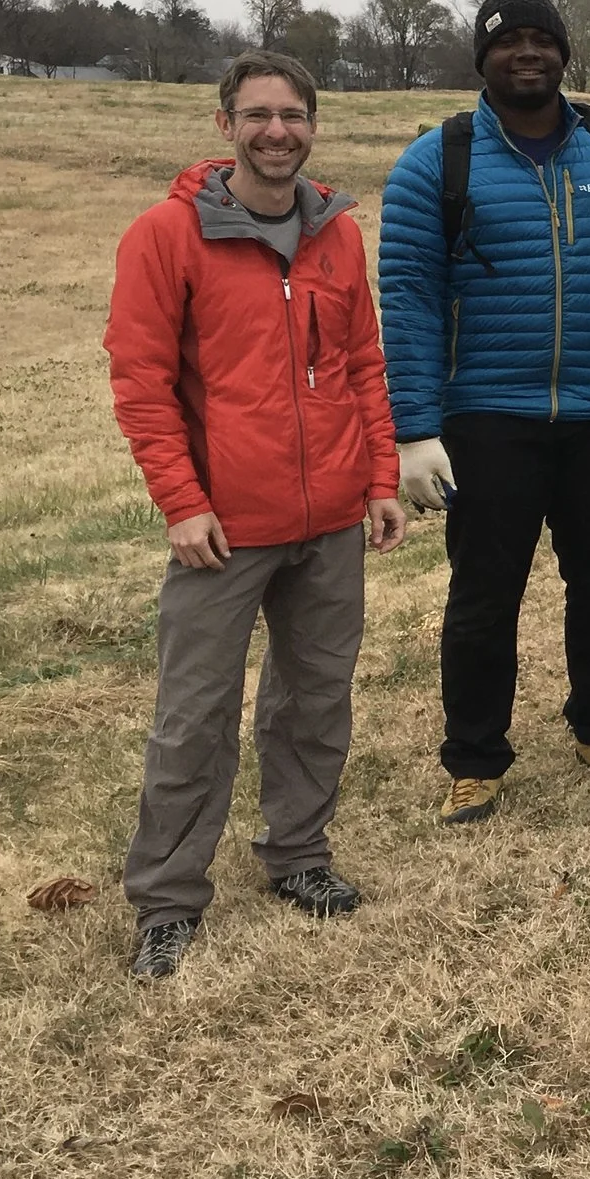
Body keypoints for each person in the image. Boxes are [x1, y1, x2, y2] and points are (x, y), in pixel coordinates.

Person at [105, 51, 407, 980]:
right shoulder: (166, 236)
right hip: (223, 530)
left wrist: (382, 477)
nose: (277, 132)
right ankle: (167, 898)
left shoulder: (337, 236)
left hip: (328, 521)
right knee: (194, 716)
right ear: (224, 123)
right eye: (258, 115)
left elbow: (363, 362)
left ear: (313, 125)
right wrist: (183, 504)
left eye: (293, 116)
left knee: (315, 701)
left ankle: (300, 855)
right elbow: (142, 386)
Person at [377, 0, 590, 825]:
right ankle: (476, 758)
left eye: (542, 40)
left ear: (563, 55)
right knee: (484, 593)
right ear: (483, 59)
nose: (528, 54)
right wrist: (414, 430)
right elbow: (406, 298)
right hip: (486, 418)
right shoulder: (437, 162)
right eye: (508, 41)